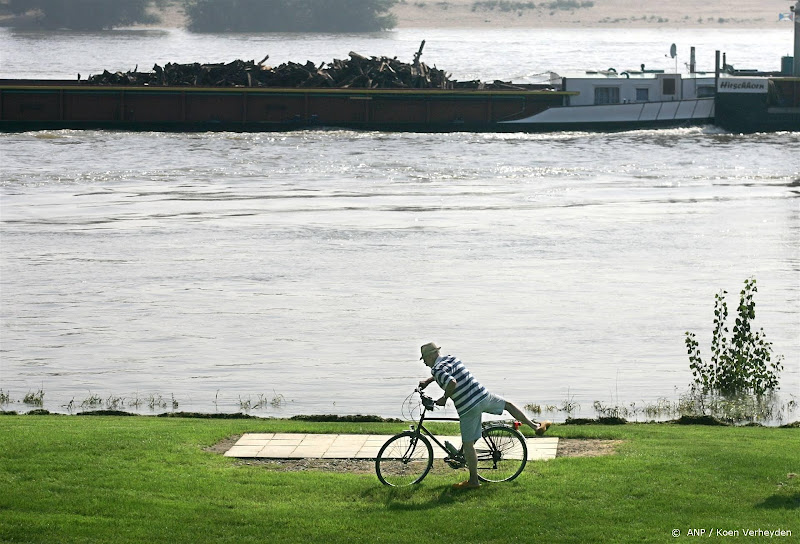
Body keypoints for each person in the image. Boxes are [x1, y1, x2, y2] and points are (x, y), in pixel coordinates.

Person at [417, 342, 551, 490]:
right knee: (507, 404)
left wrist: (444, 398)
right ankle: (535, 426)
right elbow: (447, 374)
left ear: (430, 356)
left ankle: (474, 481)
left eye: (424, 358)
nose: (424, 362)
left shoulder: (436, 370)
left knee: (468, 444)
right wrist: (428, 382)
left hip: (468, 407)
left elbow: (451, 382)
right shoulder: (450, 359)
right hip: (482, 396)